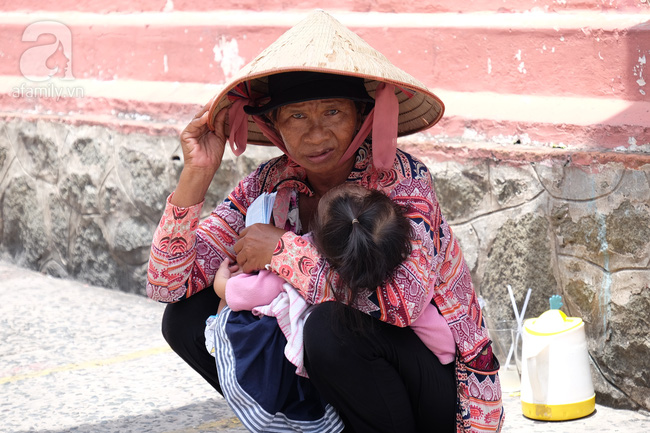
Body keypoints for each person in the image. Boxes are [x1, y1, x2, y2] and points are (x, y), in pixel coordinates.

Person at [147, 10, 504, 433]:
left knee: (329, 327)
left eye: (332, 112)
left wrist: (281, 250)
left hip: (431, 390)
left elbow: (403, 302)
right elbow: (168, 283)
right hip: (331, 376)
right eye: (296, 116)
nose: (315, 135)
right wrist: (198, 173)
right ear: (273, 126)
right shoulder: (268, 183)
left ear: (361, 116)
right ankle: (303, 422)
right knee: (185, 317)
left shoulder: (403, 182)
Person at [212, 184, 456, 367]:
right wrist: (445, 358)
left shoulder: (300, 257)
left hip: (325, 371)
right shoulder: (409, 281)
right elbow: (441, 338)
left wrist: (222, 283)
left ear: (318, 237)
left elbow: (247, 292)